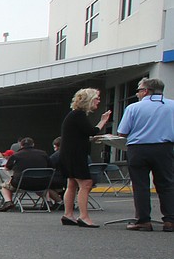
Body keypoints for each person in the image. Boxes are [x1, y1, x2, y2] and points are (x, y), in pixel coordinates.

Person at [117, 77, 174, 231]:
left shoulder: (133, 108)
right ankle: (170, 220)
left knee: (141, 185)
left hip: (138, 149)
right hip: (164, 148)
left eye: (139, 90)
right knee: (167, 184)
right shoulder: (172, 106)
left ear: (146, 91)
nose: (137, 94)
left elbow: (122, 132)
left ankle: (143, 220)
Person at [58, 88, 112, 227]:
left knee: (72, 183)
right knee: (86, 183)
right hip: (76, 154)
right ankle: (84, 216)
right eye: (96, 98)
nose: (98, 101)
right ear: (88, 100)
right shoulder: (79, 115)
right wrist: (103, 121)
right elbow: (91, 131)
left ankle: (68, 214)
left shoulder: (73, 115)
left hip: (68, 153)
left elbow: (80, 135)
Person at [0, 137, 51, 211]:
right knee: (43, 186)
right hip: (42, 183)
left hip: (22, 183)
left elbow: (7, 168)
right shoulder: (43, 154)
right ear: (33, 144)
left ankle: (8, 202)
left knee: (4, 186)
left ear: (21, 145)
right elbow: (51, 167)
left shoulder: (16, 155)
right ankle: (48, 201)